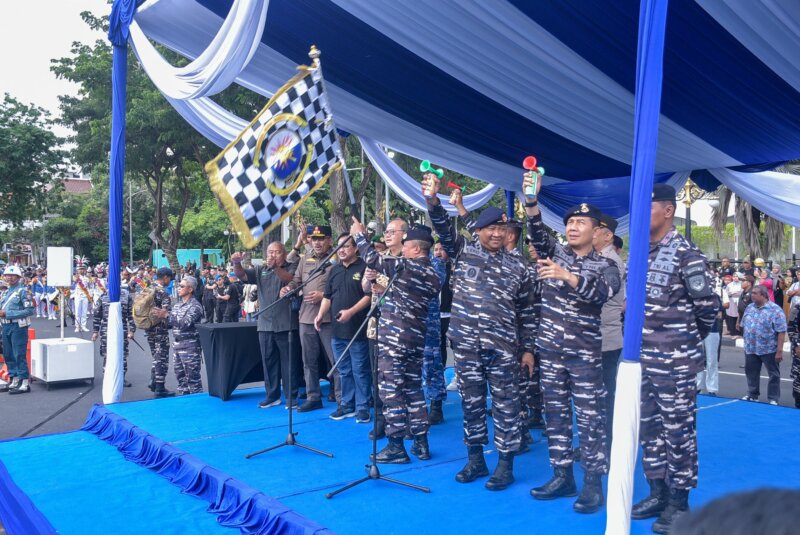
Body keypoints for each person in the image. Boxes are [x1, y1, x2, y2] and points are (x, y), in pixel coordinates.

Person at [428, 173, 537, 491]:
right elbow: (443, 227)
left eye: (502, 229)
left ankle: (505, 465)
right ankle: (475, 459)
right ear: (478, 230)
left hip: (503, 348)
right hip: (466, 346)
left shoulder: (519, 266)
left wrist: (528, 349)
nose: (497, 233)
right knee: (471, 404)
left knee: (506, 405)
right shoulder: (463, 251)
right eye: (491, 228)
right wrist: (433, 201)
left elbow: (527, 313)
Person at [524, 172, 620, 513]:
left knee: (591, 419)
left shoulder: (607, 264)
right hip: (551, 353)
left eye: (581, 222)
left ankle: (593, 485)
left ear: (597, 231)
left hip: (585, 356)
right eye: (570, 222)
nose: (573, 227)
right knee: (556, 415)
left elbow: (601, 293)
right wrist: (532, 201)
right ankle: (562, 476)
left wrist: (568, 276)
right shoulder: (554, 252)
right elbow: (537, 231)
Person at [629, 184, 719, 534]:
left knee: (678, 432)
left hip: (675, 361)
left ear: (668, 211)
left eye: (648, 206)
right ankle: (658, 493)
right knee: (649, 430)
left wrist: (681, 339)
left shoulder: (686, 254)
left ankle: (679, 503)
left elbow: (707, 309)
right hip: (642, 360)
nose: (640, 213)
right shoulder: (640, 252)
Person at [352, 217, 441, 464]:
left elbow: (373, 258)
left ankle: (396, 445)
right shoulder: (432, 273)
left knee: (391, 391)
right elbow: (405, 294)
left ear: (416, 249)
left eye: (406, 245)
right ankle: (421, 442)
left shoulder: (407, 267)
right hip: (415, 339)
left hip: (395, 340)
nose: (403, 248)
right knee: (413, 390)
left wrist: (359, 235)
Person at [232, 244, 301, 409]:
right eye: (270, 252)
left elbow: (290, 280)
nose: (273, 255)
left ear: (284, 254)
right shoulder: (260, 269)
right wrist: (236, 263)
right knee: (268, 361)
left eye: (277, 252)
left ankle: (291, 397)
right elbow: (242, 275)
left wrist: (276, 268)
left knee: (289, 362)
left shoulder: (292, 266)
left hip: (286, 323)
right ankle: (272, 395)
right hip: (265, 324)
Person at [283, 224, 340, 414]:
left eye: (321, 238)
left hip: (329, 318)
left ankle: (342, 399)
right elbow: (296, 280)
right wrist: (289, 288)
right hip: (306, 317)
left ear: (329, 240)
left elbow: (343, 287)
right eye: (314, 239)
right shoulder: (305, 258)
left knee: (335, 360)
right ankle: (313, 397)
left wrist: (323, 295)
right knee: (308, 361)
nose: (317, 242)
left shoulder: (337, 258)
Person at [314, 233, 372, 422]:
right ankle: (347, 404)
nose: (342, 250)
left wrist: (351, 312)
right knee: (343, 370)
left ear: (356, 248)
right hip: (337, 331)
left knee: (360, 370)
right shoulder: (334, 270)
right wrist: (320, 315)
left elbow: (370, 296)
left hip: (358, 329)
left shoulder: (364, 267)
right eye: (339, 247)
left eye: (346, 246)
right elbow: (327, 296)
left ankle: (363, 406)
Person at [362, 218, 408, 439]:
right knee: (378, 375)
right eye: (386, 232)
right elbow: (365, 287)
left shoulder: (409, 259)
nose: (387, 235)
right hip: (378, 324)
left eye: (392, 231)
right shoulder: (378, 258)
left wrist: (381, 281)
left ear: (404, 235)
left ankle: (406, 420)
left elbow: (405, 289)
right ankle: (381, 419)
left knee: (403, 376)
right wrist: (369, 278)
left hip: (402, 326)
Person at [593, 213, 626, 450]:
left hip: (606, 337)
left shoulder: (610, 261)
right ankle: (597, 440)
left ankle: (606, 442)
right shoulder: (596, 258)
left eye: (597, 230)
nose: (592, 233)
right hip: (596, 336)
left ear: (608, 236)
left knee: (604, 394)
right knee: (594, 395)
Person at [153, 275, 205, 395]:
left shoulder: (195, 306)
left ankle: (197, 404)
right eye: (178, 286)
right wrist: (159, 319)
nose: (178, 288)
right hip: (177, 345)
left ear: (190, 289)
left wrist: (167, 315)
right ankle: (185, 403)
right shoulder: (177, 305)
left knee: (193, 380)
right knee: (181, 380)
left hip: (190, 347)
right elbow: (171, 324)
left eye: (181, 286)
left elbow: (184, 323)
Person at [740, 285, 787, 405]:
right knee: (751, 372)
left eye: (755, 293)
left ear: (764, 295)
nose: (752, 295)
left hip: (769, 349)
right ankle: (752, 394)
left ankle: (773, 398)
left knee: (773, 374)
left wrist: (779, 351)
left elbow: (781, 331)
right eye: (752, 293)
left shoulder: (775, 310)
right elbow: (744, 323)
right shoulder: (750, 307)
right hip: (751, 347)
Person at [92, 281, 135, 387]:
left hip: (121, 329)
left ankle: (121, 377)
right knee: (107, 354)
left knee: (122, 353)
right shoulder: (103, 296)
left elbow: (131, 314)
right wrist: (95, 331)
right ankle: (108, 377)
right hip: (106, 329)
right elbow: (97, 315)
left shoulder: (126, 296)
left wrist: (132, 330)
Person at [1, 266, 35, 394]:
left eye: (12, 275)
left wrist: (8, 314)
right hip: (5, 326)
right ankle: (14, 379)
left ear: (18, 277)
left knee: (19, 354)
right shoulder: (5, 292)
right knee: (8, 354)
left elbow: (29, 310)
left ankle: (24, 382)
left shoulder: (23, 291)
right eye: (7, 275)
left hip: (18, 326)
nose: (9, 278)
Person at [144, 267, 175, 398]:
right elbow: (165, 313)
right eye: (170, 278)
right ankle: (160, 388)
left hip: (148, 328)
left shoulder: (147, 289)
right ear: (165, 277)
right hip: (160, 329)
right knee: (161, 358)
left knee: (156, 356)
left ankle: (154, 382)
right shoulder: (163, 293)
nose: (170, 281)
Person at [696, 312, 722, 396]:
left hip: (712, 331)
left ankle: (712, 388)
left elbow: (719, 315)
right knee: (697, 360)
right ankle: (697, 387)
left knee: (712, 360)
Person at [72, 264, 92, 333]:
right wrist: (76, 277)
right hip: (78, 295)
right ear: (77, 270)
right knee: (77, 312)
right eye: (80, 269)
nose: (81, 270)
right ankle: (77, 326)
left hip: (85, 296)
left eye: (83, 269)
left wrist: (90, 295)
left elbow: (89, 287)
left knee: (84, 312)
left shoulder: (87, 278)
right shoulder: (76, 277)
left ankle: (83, 326)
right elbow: (73, 283)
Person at [789, 300, 800, 408]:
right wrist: (797, 344)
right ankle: (798, 400)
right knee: (798, 375)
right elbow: (791, 328)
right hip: (798, 346)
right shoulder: (797, 309)